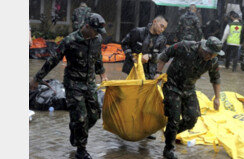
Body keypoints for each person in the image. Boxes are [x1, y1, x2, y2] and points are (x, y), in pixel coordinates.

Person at [29, 13, 108, 159]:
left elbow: (98, 58)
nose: (97, 34)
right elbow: (53, 60)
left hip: (89, 82)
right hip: (73, 83)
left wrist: (102, 73)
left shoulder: (97, 39)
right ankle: (81, 150)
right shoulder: (70, 41)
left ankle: (76, 129)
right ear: (87, 26)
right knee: (81, 118)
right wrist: (37, 78)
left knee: (95, 115)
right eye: (95, 30)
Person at [154, 36, 224, 159]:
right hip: (172, 84)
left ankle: (170, 133)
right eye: (208, 53)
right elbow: (165, 55)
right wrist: (158, 73)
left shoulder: (213, 61)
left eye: (212, 55)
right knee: (174, 118)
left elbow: (216, 79)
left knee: (191, 119)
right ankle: (168, 149)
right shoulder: (185, 46)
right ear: (203, 48)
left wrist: (217, 98)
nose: (209, 57)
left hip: (189, 88)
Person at [122, 15, 168, 80]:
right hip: (134, 69)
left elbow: (162, 56)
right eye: (161, 26)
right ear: (154, 21)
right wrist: (132, 57)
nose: (162, 29)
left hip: (150, 72)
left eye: (164, 28)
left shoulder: (162, 39)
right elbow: (125, 43)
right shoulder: (138, 32)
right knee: (132, 89)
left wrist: (150, 56)